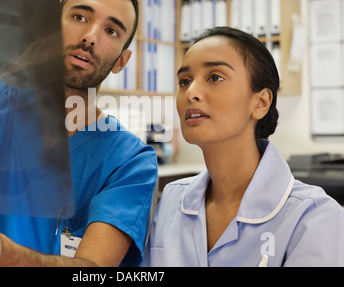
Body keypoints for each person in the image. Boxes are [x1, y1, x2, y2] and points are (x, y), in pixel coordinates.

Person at [0, 0, 157, 267]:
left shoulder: (130, 162)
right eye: (80, 17)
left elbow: (93, 269)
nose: (90, 37)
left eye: (111, 31)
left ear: (121, 62)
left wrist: (4, 256)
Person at [143, 26, 344, 267]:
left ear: (260, 103)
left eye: (215, 77)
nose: (191, 93)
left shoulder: (314, 217)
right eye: (184, 81)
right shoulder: (171, 200)